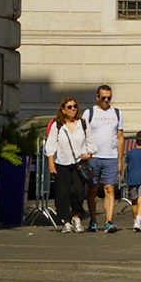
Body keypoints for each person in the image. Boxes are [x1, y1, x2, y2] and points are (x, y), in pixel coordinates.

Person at [44, 97, 93, 233]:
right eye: (69, 107)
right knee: (63, 192)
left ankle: (76, 217)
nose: (73, 109)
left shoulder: (83, 124)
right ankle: (66, 221)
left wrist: (89, 153)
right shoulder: (57, 125)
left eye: (75, 106)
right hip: (62, 162)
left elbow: (90, 141)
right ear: (63, 110)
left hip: (79, 162)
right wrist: (51, 162)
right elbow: (51, 143)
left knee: (79, 191)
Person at [82, 84, 123, 233]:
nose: (106, 100)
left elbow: (120, 137)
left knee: (109, 188)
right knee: (92, 189)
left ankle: (108, 221)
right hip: (93, 156)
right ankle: (93, 220)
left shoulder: (117, 113)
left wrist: (119, 159)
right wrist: (85, 153)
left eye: (109, 98)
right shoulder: (89, 113)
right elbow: (82, 134)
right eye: (103, 97)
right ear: (97, 97)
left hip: (111, 157)